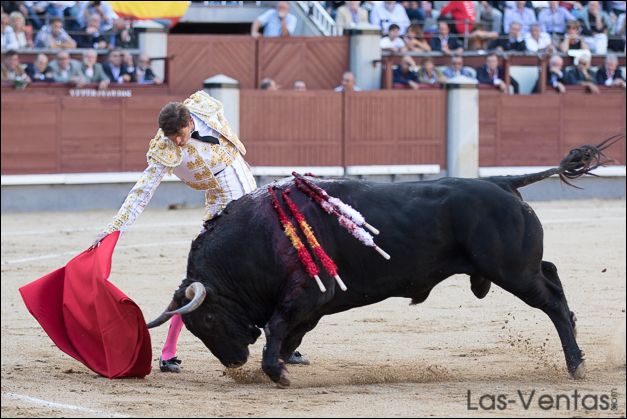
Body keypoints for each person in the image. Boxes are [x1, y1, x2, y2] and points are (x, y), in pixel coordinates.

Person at [93, 91, 309, 372]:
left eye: (180, 136)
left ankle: (283, 345)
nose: (177, 142)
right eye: (172, 138)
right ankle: (168, 351)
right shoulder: (165, 148)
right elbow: (142, 191)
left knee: (271, 266)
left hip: (248, 186)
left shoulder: (204, 106)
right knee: (200, 278)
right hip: (221, 202)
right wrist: (116, 227)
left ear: (189, 121)